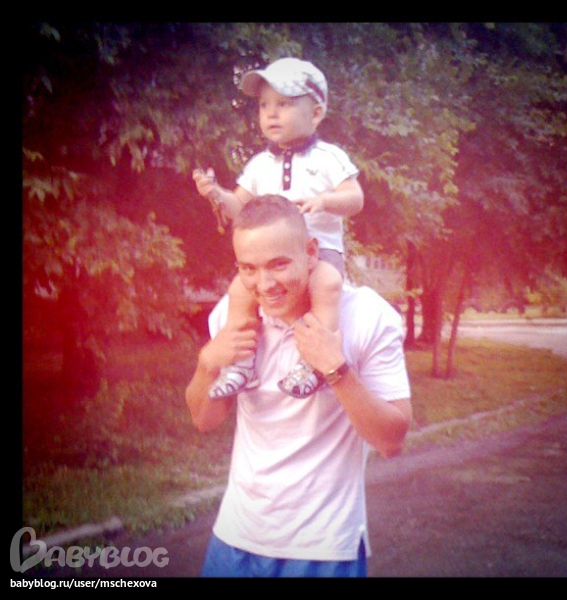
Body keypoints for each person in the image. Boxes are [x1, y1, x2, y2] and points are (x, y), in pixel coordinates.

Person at [185, 195, 412, 578]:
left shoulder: (365, 316)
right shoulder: (232, 316)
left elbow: (392, 441)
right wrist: (208, 362)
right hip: (235, 540)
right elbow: (204, 420)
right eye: (249, 268)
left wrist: (336, 370)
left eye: (278, 264)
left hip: (323, 549)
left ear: (310, 253)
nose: (265, 285)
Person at [193, 57, 364, 400]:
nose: (271, 113)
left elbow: (355, 198)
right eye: (264, 105)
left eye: (283, 104)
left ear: (315, 113)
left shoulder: (328, 157)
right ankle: (241, 364)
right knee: (239, 291)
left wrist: (326, 201)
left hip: (320, 253)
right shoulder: (259, 165)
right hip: (271, 260)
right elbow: (239, 207)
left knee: (327, 285)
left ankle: (313, 363)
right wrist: (217, 194)